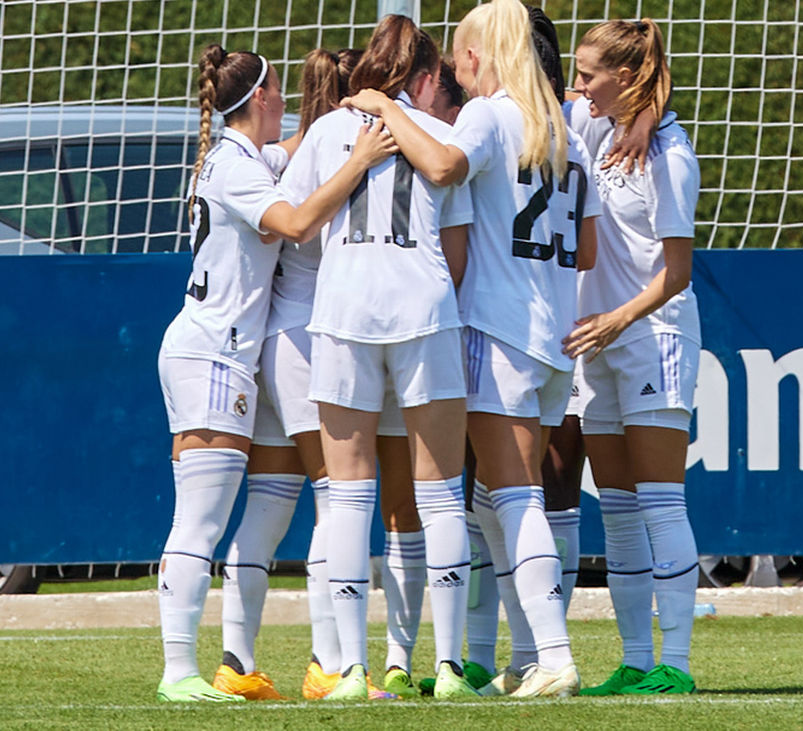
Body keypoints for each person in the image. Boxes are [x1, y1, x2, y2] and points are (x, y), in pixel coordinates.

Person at [343, 0, 599, 698]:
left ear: (482, 55)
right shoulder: (566, 131)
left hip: (499, 329)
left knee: (513, 498)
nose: (455, 70)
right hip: (550, 338)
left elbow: (444, 166)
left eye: (459, 55)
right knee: (494, 500)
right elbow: (589, 246)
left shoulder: (492, 113)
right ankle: (526, 655)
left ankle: (553, 654)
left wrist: (387, 109)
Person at [155, 43, 387, 703]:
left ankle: (235, 664)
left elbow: (299, 144)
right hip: (213, 352)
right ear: (257, 96)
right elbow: (297, 219)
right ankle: (180, 671)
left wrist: (345, 112)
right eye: (277, 89)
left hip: (239, 352)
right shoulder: (238, 169)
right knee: (200, 521)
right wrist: (362, 159)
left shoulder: (245, 157)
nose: (284, 98)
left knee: (263, 503)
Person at [296, 14, 477, 701]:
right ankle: (452, 667)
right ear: (428, 78)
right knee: (438, 494)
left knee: (347, 495)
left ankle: (350, 670)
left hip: (343, 313)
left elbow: (303, 221)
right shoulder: (444, 135)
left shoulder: (325, 130)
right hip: (423, 311)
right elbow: (456, 256)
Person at [564, 19, 702, 697]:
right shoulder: (592, 126)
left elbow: (676, 272)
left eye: (588, 73)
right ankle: (636, 659)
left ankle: (675, 661)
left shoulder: (672, 155)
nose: (576, 84)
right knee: (615, 508)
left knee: (660, 501)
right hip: (604, 340)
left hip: (654, 336)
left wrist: (617, 318)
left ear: (625, 77)